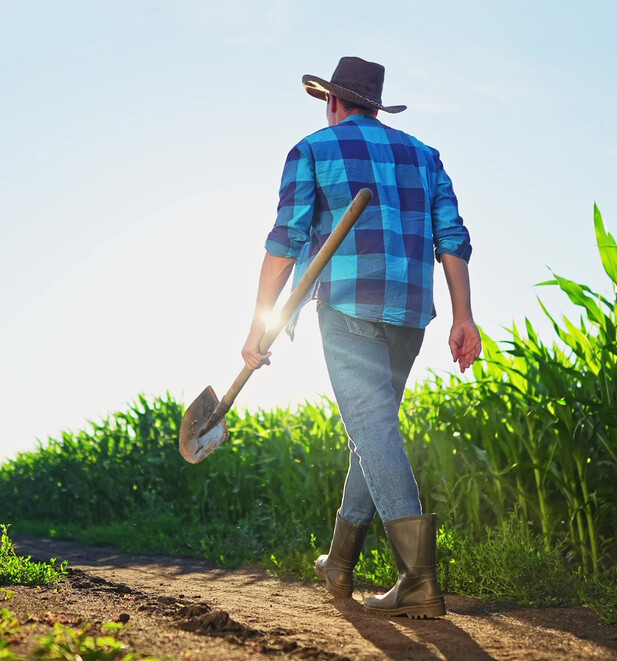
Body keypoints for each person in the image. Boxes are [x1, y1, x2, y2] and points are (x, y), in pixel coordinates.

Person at [241, 56, 481, 619]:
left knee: (371, 428)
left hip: (348, 306)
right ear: (374, 104)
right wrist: (463, 315)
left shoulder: (312, 149)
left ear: (332, 102)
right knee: (371, 434)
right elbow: (452, 236)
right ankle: (340, 563)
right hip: (410, 313)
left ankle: (418, 580)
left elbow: (284, 240)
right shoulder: (425, 156)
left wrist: (258, 323)